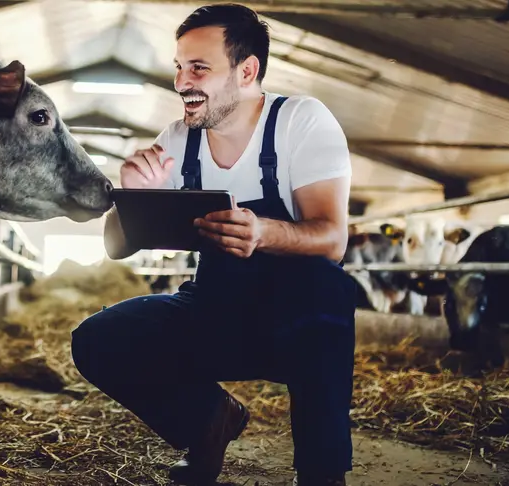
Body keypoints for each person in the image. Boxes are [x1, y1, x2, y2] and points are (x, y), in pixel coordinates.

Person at [70, 4, 356, 486]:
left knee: (328, 294)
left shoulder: (300, 122)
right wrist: (132, 199)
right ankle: (209, 420)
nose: (182, 82)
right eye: (179, 67)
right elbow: (116, 247)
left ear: (247, 71)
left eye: (199, 68)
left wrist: (265, 232)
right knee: (98, 339)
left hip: (294, 319)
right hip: (216, 305)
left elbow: (332, 239)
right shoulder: (178, 141)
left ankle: (321, 473)